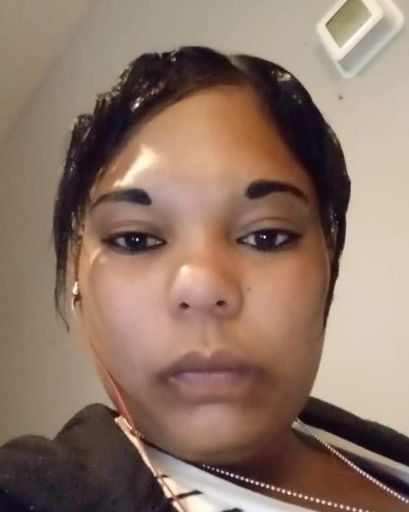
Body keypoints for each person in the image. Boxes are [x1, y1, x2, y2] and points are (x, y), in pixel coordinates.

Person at [0, 46, 408, 512]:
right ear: (78, 283)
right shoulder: (40, 492)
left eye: (267, 236)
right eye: (136, 240)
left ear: (327, 259)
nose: (203, 287)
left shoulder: (356, 445)